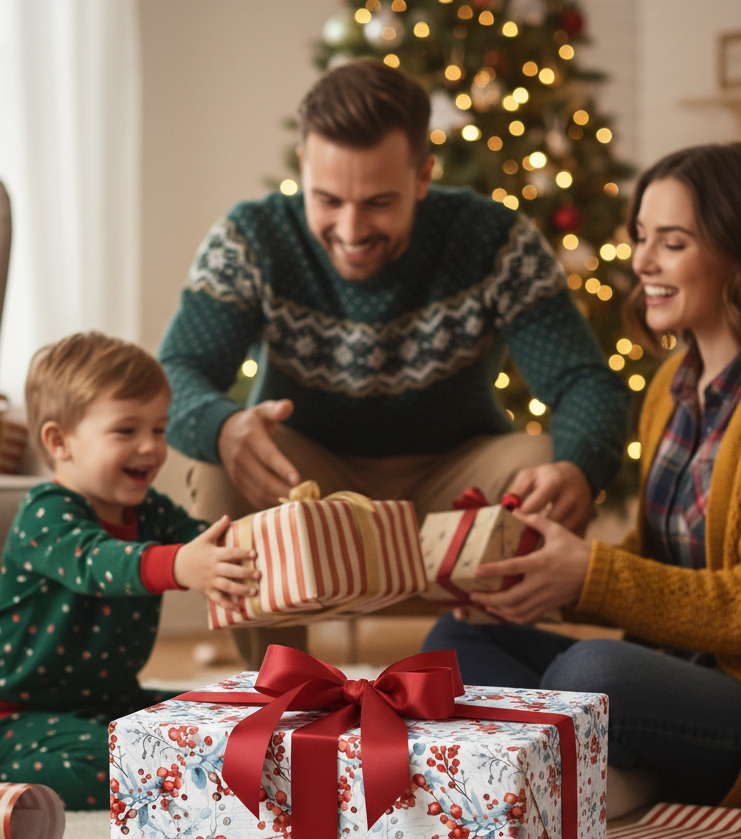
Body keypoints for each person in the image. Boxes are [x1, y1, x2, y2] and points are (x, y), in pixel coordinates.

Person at [424, 142, 741, 818]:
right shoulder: (671, 384)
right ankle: (616, 769)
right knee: (456, 644)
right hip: (674, 674)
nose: (643, 262)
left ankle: (595, 768)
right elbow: (660, 559)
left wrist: (591, 574)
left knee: (591, 674)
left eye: (672, 242)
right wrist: (543, 573)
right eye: (640, 238)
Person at [159, 59, 629, 662]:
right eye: (327, 200)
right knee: (223, 466)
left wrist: (579, 469)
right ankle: (283, 687)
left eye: (379, 202)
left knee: (543, 463)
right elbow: (177, 373)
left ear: (424, 175)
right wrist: (223, 427)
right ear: (303, 167)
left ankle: (489, 675)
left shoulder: (493, 239)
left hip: (453, 481)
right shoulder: (250, 240)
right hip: (308, 485)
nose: (351, 229)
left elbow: (584, 381)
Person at [0, 332, 259, 809]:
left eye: (159, 429)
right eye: (126, 431)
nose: (149, 447)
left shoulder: (154, 512)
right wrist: (179, 564)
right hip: (14, 720)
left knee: (221, 719)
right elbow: (98, 562)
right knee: (119, 764)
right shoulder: (45, 513)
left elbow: (210, 540)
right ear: (59, 441)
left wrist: (270, 544)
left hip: (109, 702)